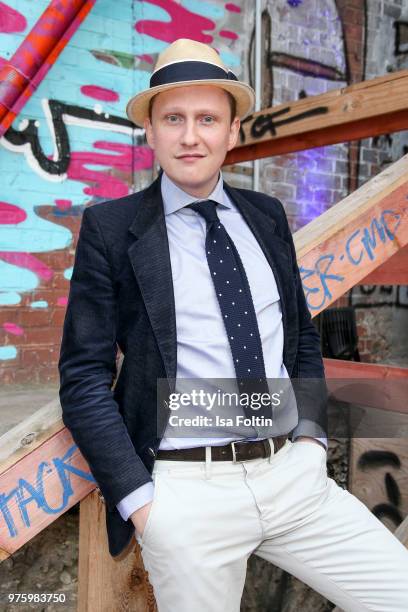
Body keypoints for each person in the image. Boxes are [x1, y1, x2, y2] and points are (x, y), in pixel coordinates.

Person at [58, 38, 408, 611]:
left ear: (233, 130)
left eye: (207, 119)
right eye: (173, 118)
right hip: (186, 496)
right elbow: (83, 378)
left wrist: (312, 442)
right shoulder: (110, 228)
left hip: (294, 478)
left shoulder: (265, 216)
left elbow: (299, 339)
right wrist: (143, 503)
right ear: (151, 130)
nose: (190, 136)